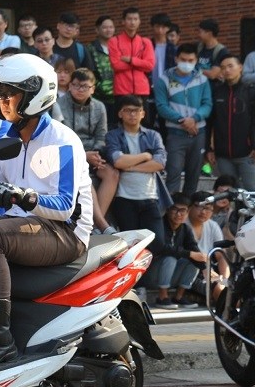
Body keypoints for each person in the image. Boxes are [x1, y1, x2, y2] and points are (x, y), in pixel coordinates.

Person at [0, 53, 92, 370]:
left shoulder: (61, 140)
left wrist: (25, 197)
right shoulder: (8, 141)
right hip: (20, 225)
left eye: (8, 93)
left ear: (35, 94)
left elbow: (65, 206)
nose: (1, 101)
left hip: (64, 232)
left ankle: (0, 340)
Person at [57, 68, 117, 235]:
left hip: (94, 154)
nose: (79, 89)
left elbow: (102, 136)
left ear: (93, 88)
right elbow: (63, 137)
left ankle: (93, 225)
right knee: (85, 176)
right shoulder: (59, 105)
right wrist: (84, 155)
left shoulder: (99, 107)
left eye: (84, 86)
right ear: (69, 86)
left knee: (112, 174)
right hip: (71, 155)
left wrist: (95, 154)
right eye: (75, 85)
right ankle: (102, 225)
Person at [106, 95, 170, 246]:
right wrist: (145, 156)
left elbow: (160, 163)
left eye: (136, 110)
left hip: (150, 196)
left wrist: (130, 167)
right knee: (129, 244)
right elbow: (118, 161)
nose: (132, 114)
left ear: (143, 113)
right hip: (124, 198)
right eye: (128, 110)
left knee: (157, 243)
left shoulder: (153, 135)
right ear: (120, 113)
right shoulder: (113, 135)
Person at [207, 55, 255, 192]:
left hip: (248, 153)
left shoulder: (252, 92)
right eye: (223, 67)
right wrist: (208, 149)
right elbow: (209, 122)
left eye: (230, 66)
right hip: (223, 155)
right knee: (228, 193)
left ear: (240, 67)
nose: (226, 70)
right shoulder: (216, 92)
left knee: (253, 192)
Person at [156, 44, 212, 195]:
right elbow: (161, 106)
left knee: (194, 175)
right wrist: (182, 120)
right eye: (183, 59)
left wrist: (194, 119)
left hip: (198, 133)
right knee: (173, 172)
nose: (187, 63)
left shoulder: (202, 79)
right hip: (175, 134)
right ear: (176, 59)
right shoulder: (164, 80)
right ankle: (171, 207)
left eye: (190, 60)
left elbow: (207, 104)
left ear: (196, 60)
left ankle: (188, 206)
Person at [138, 193, 203, 309]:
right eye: (175, 209)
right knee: (170, 258)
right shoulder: (158, 225)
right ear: (167, 210)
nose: (178, 214)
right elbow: (161, 248)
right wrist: (189, 253)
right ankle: (162, 297)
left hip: (171, 277)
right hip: (150, 275)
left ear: (188, 212)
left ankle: (179, 296)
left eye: (183, 211)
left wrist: (206, 267)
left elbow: (194, 249)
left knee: (193, 260)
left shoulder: (185, 229)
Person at [109, 7, 154, 110]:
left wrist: (131, 60)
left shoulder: (145, 42)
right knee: (121, 118)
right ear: (123, 22)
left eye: (135, 19)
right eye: (129, 19)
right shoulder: (114, 41)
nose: (132, 22)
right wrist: (140, 63)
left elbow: (149, 66)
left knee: (143, 119)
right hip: (121, 89)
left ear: (139, 21)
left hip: (142, 90)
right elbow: (116, 65)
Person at [188, 190, 230, 297]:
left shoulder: (213, 226)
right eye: (199, 207)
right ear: (190, 207)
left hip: (210, 271)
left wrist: (224, 280)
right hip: (190, 271)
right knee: (221, 292)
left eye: (208, 208)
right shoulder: (183, 225)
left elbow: (221, 256)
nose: (203, 212)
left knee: (227, 288)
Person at [89, 15, 117, 124]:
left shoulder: (119, 47)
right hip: (99, 97)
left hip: (119, 95)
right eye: (105, 27)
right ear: (97, 30)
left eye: (111, 27)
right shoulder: (91, 49)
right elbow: (90, 72)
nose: (108, 30)